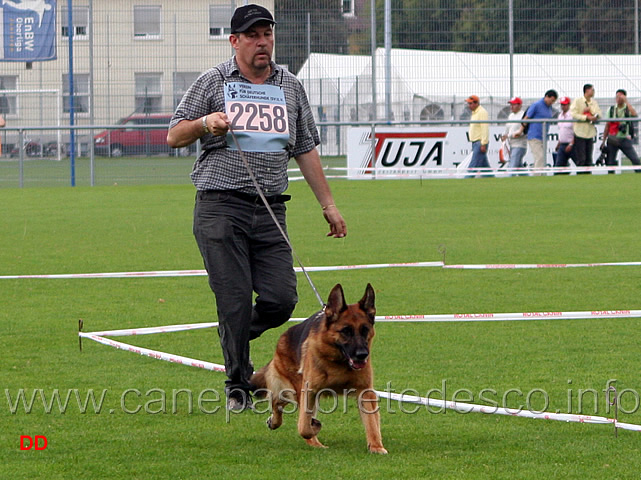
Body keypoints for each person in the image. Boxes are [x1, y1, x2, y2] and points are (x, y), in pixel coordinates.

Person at [166, 4, 347, 412]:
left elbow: (306, 147)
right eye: (252, 35)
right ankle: (237, 383)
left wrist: (329, 204)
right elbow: (174, 135)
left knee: (282, 299)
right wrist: (204, 124)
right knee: (232, 298)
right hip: (219, 207)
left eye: (267, 33)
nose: (262, 41)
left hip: (271, 210)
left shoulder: (290, 87)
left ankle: (232, 331)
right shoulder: (213, 81)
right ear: (235, 41)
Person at [601, 88, 641, 173]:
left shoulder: (628, 109)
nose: (618, 99)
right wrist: (604, 141)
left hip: (624, 139)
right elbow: (607, 125)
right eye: (617, 97)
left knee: (635, 160)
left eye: (620, 97)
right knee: (610, 163)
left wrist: (626, 102)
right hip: (612, 139)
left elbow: (635, 115)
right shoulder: (611, 110)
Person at [523, 89, 558, 175]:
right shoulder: (536, 105)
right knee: (540, 157)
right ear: (547, 97)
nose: (552, 103)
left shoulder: (549, 108)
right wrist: (521, 130)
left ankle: (540, 174)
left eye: (554, 101)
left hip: (543, 136)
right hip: (534, 136)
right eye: (552, 100)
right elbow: (526, 119)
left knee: (541, 158)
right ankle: (538, 177)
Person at [570, 84, 601, 174]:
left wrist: (591, 112)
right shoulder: (577, 101)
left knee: (589, 158)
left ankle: (588, 176)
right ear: (587, 91)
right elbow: (574, 114)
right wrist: (586, 117)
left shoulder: (594, 102)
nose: (593, 91)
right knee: (581, 158)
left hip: (590, 133)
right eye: (592, 90)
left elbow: (598, 113)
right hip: (580, 133)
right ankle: (581, 177)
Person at [501, 97, 527, 175]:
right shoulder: (511, 116)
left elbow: (523, 131)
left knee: (512, 166)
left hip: (519, 145)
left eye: (513, 104)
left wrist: (509, 135)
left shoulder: (523, 115)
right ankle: (528, 180)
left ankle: (508, 182)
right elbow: (507, 128)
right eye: (511, 104)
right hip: (511, 145)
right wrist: (504, 135)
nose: (511, 106)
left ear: (519, 105)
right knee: (519, 167)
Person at [465, 95, 490, 177]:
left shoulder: (482, 112)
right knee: (485, 167)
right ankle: (491, 179)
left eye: (470, 103)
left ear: (476, 103)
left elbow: (484, 128)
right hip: (476, 142)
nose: (469, 105)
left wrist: (483, 143)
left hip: (479, 142)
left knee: (473, 165)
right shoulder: (475, 113)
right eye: (468, 103)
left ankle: (467, 180)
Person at [554, 96, 574, 174]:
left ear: (569, 104)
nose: (563, 106)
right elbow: (561, 130)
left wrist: (572, 144)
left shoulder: (572, 115)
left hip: (572, 144)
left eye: (565, 104)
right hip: (562, 144)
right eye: (562, 104)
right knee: (559, 167)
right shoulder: (560, 116)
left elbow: (576, 131)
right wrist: (558, 143)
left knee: (580, 164)